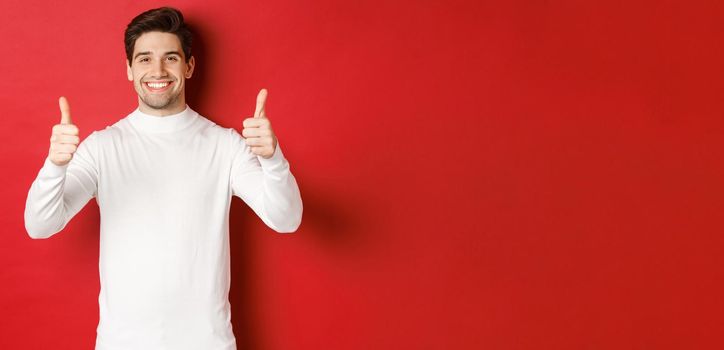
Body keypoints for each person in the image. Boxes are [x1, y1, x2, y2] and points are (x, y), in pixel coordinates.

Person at [23, 6, 302, 350]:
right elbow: (39, 225)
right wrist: (55, 166)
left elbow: (286, 219)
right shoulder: (103, 147)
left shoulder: (225, 146)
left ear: (188, 66)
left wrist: (272, 158)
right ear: (129, 69)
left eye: (170, 58)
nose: (157, 70)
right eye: (144, 59)